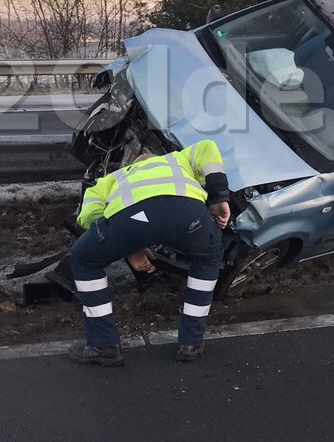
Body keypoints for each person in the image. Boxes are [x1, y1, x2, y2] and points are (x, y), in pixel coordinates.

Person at [67, 139, 232, 366]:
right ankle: (191, 343)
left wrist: (129, 248)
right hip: (188, 214)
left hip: (130, 220)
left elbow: (89, 216)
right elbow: (208, 147)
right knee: (208, 258)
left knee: (83, 259)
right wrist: (219, 197)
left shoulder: (112, 178)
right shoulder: (177, 159)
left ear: (133, 164)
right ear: (156, 158)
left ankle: (103, 345)